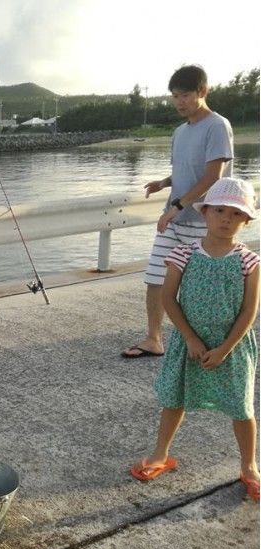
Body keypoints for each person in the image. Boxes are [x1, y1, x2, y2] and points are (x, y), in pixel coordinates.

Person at [130, 178, 259, 502]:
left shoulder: (249, 260)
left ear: (246, 220)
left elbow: (248, 312)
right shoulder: (183, 254)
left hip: (232, 347)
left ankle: (249, 465)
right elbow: (170, 299)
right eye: (219, 210)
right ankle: (161, 454)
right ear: (205, 213)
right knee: (174, 400)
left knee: (242, 408)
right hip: (188, 345)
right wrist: (189, 338)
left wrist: (225, 348)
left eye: (235, 213)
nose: (226, 218)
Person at [122, 64, 233, 358]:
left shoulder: (217, 126)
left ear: (203, 91)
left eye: (185, 95)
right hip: (174, 218)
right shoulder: (180, 132)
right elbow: (187, 170)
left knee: (203, 285)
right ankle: (153, 339)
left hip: (203, 220)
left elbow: (212, 177)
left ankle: (213, 342)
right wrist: (164, 182)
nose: (179, 102)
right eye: (175, 96)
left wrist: (177, 205)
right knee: (155, 277)